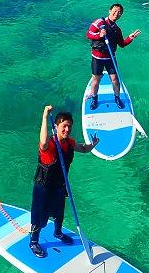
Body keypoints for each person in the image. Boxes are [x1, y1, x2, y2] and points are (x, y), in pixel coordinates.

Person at [30, 105, 99, 258]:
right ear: (56, 126)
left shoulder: (69, 143)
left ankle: (58, 233)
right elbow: (42, 142)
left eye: (69, 126)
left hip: (59, 186)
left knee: (59, 213)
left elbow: (83, 148)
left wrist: (92, 145)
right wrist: (44, 116)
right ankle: (34, 242)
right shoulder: (49, 145)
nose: (67, 129)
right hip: (43, 188)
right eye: (64, 126)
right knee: (39, 218)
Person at [86, 3, 140, 110]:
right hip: (97, 58)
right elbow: (88, 34)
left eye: (119, 13)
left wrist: (130, 37)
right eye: (115, 11)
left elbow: (122, 44)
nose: (117, 13)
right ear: (110, 11)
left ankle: (117, 98)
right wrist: (99, 35)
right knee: (96, 80)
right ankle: (94, 99)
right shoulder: (99, 22)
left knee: (115, 80)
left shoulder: (117, 29)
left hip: (110, 58)